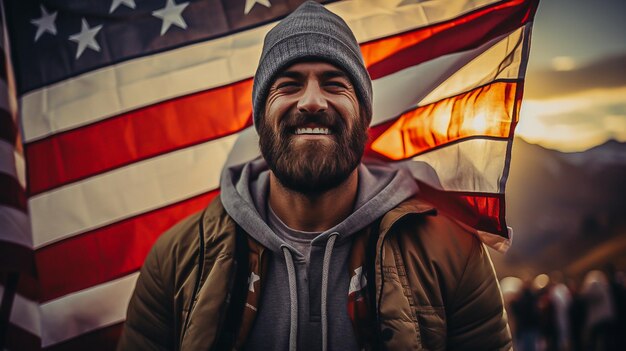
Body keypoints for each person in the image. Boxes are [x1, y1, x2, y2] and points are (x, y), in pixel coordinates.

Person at [118, 2, 511, 350]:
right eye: (288, 84)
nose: (310, 101)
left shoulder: (452, 251)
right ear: (260, 119)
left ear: (364, 118)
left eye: (334, 84)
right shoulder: (177, 257)